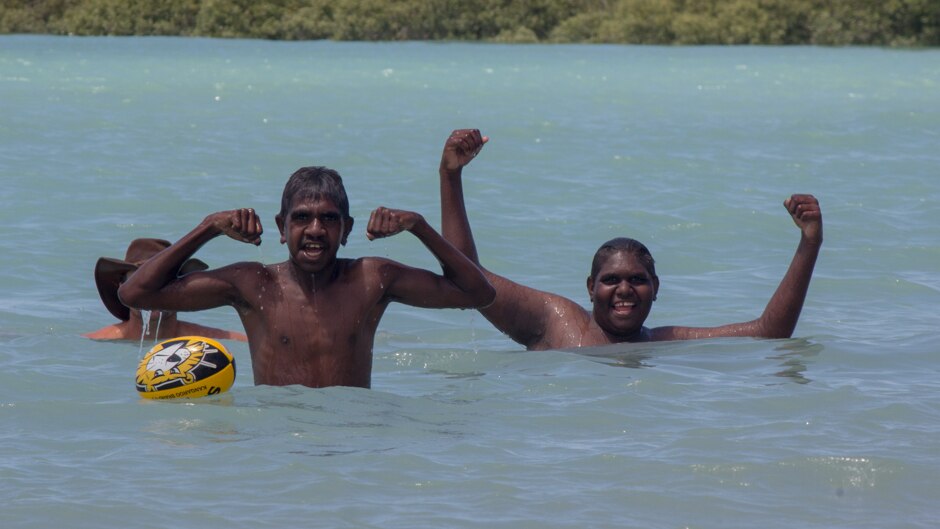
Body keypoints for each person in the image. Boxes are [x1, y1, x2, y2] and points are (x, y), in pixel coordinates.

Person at [438, 129, 823, 350]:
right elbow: (468, 277)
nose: (625, 289)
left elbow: (769, 333)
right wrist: (451, 174)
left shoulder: (665, 343)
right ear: (590, 288)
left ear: (656, 288)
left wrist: (809, 243)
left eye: (638, 279)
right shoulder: (553, 322)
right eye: (611, 280)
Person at [118, 166, 495, 388]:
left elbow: (477, 292)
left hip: (353, 437)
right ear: (282, 227)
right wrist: (208, 227)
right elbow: (135, 293)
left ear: (346, 230)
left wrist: (419, 226)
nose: (315, 229)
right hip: (278, 442)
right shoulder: (254, 284)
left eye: (329, 219)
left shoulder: (371, 279)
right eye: (302, 218)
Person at [83, 238, 248, 342]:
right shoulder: (97, 341)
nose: (151, 292)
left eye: (163, 282)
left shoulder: (219, 341)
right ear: (122, 286)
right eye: (141, 282)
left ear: (181, 288)